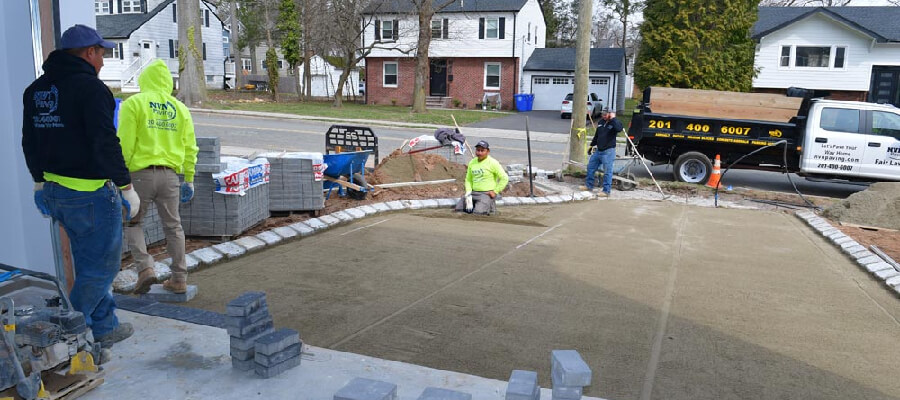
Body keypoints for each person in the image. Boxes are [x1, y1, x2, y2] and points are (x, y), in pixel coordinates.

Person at [22, 24, 139, 349]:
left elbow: (29, 141)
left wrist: (38, 182)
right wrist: (126, 185)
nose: (102, 61)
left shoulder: (36, 90)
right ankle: (67, 333)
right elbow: (104, 141)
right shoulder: (91, 89)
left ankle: (104, 327)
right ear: (89, 53)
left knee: (87, 262)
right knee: (102, 267)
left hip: (56, 193)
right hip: (89, 195)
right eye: (101, 54)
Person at [118, 59, 198, 295]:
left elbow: (124, 144)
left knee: (133, 222)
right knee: (173, 227)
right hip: (171, 176)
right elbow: (190, 147)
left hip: (140, 175)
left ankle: (145, 269)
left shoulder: (134, 104)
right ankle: (179, 278)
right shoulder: (180, 109)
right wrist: (189, 177)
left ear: (145, 79)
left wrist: (121, 177)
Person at [455, 141, 509, 215]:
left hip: (486, 193)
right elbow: (468, 179)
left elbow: (504, 178)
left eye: (482, 150)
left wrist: (495, 191)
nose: (479, 153)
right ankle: (478, 205)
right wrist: (468, 192)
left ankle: (490, 207)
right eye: (478, 150)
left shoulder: (493, 163)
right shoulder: (472, 162)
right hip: (473, 192)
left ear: (488, 151)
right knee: (459, 209)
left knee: (478, 213)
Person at [582, 108, 623, 196]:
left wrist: (613, 118)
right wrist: (592, 145)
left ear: (610, 114)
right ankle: (589, 186)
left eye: (605, 114)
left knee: (607, 172)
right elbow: (597, 135)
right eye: (602, 114)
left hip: (608, 152)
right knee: (590, 167)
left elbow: (619, 129)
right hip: (598, 151)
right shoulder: (601, 122)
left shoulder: (615, 123)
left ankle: (606, 191)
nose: (603, 116)